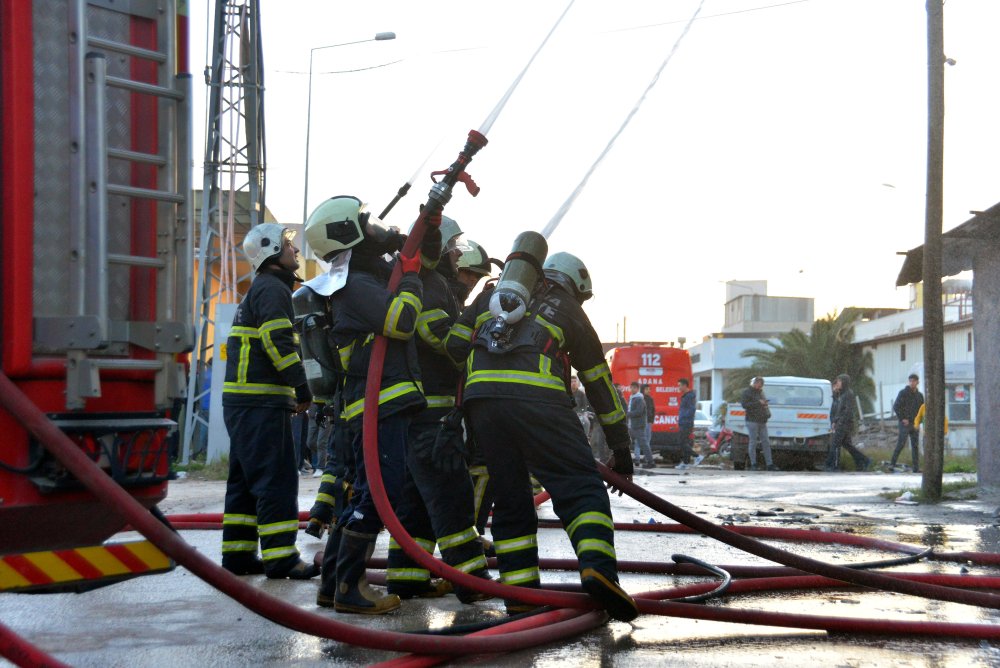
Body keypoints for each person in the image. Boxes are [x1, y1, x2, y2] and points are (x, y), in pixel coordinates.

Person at [444, 248, 639, 622]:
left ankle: (520, 596)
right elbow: (598, 382)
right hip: (540, 402)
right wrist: (621, 447)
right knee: (580, 486)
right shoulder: (569, 309)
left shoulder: (491, 296)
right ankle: (598, 569)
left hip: (482, 403)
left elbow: (454, 345)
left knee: (511, 497)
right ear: (575, 287)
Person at [304, 195, 428, 614]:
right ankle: (349, 589)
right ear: (347, 233)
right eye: (365, 222)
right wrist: (411, 279)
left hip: (372, 408)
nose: (373, 227)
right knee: (378, 497)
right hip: (380, 407)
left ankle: (333, 584)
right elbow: (402, 322)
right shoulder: (355, 286)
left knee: (364, 495)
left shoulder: (356, 279)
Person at [383, 214, 492, 603]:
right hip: (433, 415)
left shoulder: (431, 283)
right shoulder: (431, 285)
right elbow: (440, 337)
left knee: (416, 502)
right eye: (452, 248)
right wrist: (478, 330)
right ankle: (472, 580)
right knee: (451, 496)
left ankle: (407, 578)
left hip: (422, 411)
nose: (456, 256)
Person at [220, 223, 318, 580]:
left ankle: (238, 555)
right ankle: (282, 558)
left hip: (244, 403)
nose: (296, 250)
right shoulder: (273, 290)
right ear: (271, 252)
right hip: (261, 402)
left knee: (245, 482)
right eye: (288, 245)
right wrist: (302, 388)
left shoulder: (261, 289)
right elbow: (278, 343)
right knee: (276, 480)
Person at [824, 373, 871, 472]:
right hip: (841, 423)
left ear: (844, 382)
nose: (837, 383)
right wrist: (835, 421)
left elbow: (847, 411)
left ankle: (834, 466)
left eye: (839, 381)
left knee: (835, 444)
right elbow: (838, 409)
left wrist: (839, 422)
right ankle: (863, 461)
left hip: (844, 424)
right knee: (847, 445)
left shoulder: (848, 394)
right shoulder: (842, 394)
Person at [740, 376, 777, 471]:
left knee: (766, 442)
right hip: (752, 420)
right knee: (753, 442)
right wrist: (758, 403)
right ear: (755, 383)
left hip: (762, 420)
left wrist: (766, 409)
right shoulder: (747, 392)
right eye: (759, 384)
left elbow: (763, 404)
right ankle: (753, 464)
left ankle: (769, 464)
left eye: (761, 385)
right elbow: (744, 405)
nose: (760, 386)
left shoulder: (761, 392)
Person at [890, 373, 924, 472]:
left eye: (914, 381)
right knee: (901, 444)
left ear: (917, 382)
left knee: (915, 446)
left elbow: (922, 410)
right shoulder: (903, 393)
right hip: (905, 423)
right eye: (910, 381)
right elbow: (896, 406)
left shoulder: (919, 396)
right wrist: (902, 418)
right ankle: (892, 464)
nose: (912, 383)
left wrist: (919, 422)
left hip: (914, 424)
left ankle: (916, 468)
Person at [628, 381, 654, 469]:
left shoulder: (639, 398)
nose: (632, 389)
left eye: (634, 388)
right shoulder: (632, 398)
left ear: (637, 389)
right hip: (632, 425)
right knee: (628, 442)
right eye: (631, 387)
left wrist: (628, 414)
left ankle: (651, 462)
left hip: (638, 426)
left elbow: (639, 412)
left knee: (644, 444)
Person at [675, 378, 698, 469]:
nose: (679, 388)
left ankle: (697, 456)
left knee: (681, 442)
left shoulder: (689, 396)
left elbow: (692, 409)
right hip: (684, 422)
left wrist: (684, 418)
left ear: (684, 385)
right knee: (685, 443)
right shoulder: (686, 396)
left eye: (679, 385)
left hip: (686, 423)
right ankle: (685, 463)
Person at [642, 384, 656, 465]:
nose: (648, 391)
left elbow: (653, 410)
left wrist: (651, 420)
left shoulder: (650, 399)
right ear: (643, 390)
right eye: (647, 389)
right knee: (644, 441)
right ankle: (647, 458)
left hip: (648, 422)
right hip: (643, 422)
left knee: (648, 440)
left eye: (649, 389)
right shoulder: (641, 398)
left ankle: (646, 457)